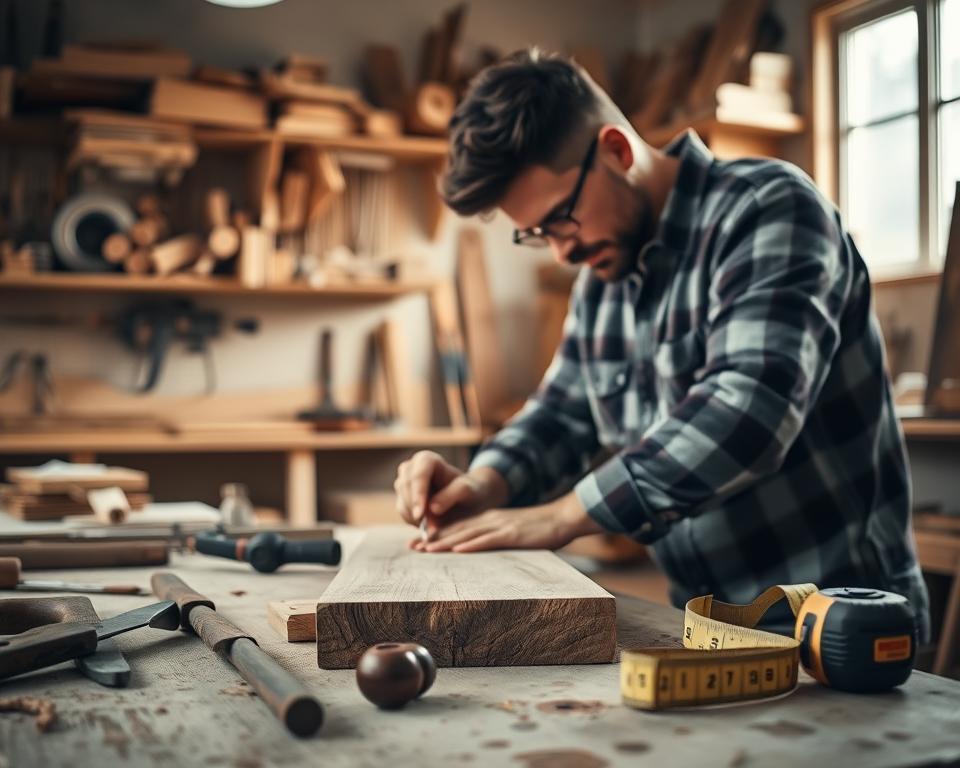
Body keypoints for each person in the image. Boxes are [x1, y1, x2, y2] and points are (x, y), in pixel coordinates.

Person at [392, 49, 929, 637]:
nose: (561, 252)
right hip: (706, 621)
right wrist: (481, 483)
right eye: (537, 234)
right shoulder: (605, 277)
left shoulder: (767, 208)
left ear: (616, 151)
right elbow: (561, 414)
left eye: (562, 218)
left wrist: (563, 516)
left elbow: (748, 410)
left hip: (838, 619)